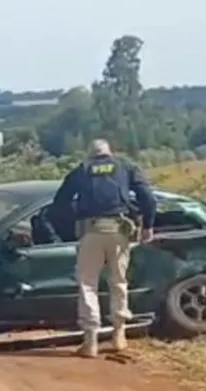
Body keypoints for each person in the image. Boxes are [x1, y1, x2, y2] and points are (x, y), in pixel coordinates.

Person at [49, 138, 156, 357]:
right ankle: (119, 335)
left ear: (90, 154)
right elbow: (148, 198)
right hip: (120, 231)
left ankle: (91, 341)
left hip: (91, 232)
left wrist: (74, 220)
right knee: (118, 281)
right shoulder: (125, 166)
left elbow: (60, 202)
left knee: (88, 284)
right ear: (110, 152)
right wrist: (148, 226)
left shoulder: (82, 170)